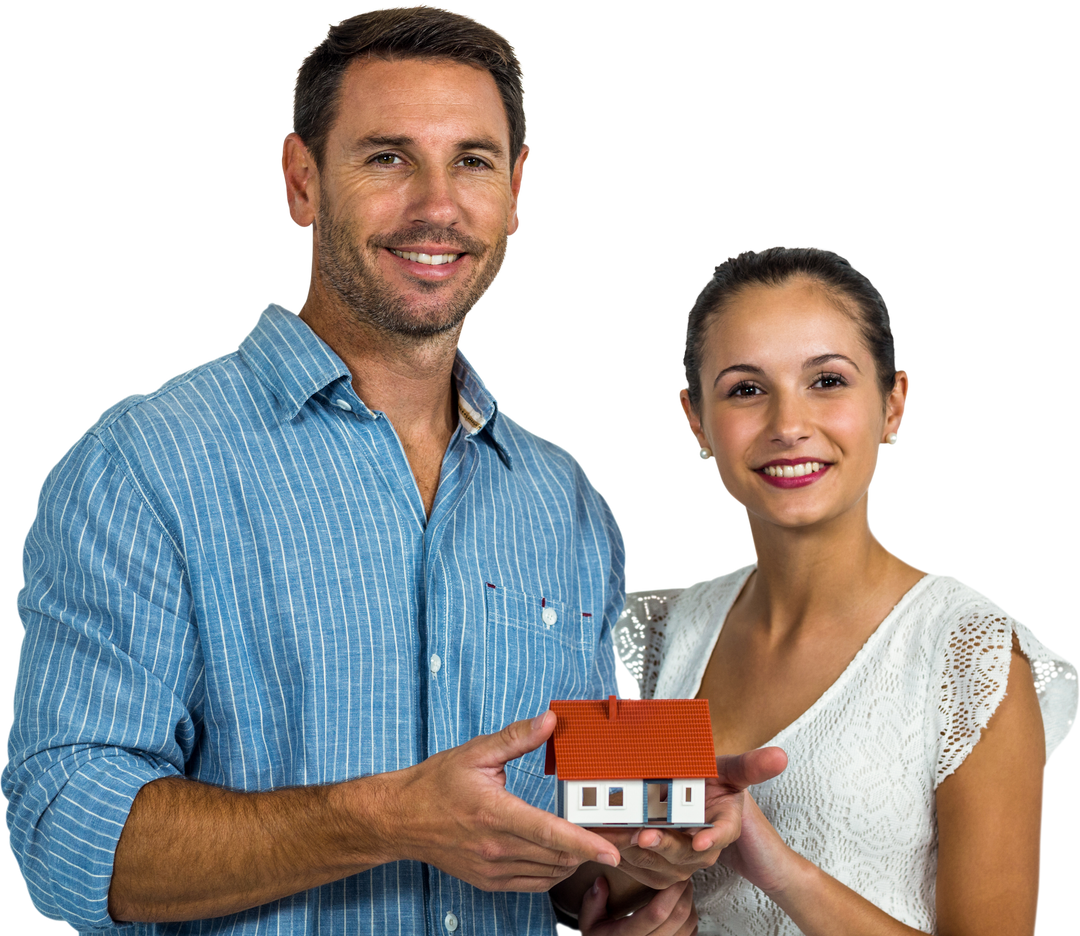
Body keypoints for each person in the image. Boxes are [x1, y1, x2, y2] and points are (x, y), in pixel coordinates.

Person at [3, 7, 781, 935]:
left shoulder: (567, 502)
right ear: (300, 181)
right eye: (387, 157)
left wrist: (633, 877)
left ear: (518, 192)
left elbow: (556, 846)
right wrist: (387, 820)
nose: (437, 207)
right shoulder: (145, 467)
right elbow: (63, 838)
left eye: (473, 161)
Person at [613, 244, 1079, 935]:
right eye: (746, 389)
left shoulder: (973, 657)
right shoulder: (662, 633)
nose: (788, 425)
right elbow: (622, 870)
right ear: (695, 421)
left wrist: (779, 866)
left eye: (827, 381)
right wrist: (624, 902)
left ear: (894, 404)